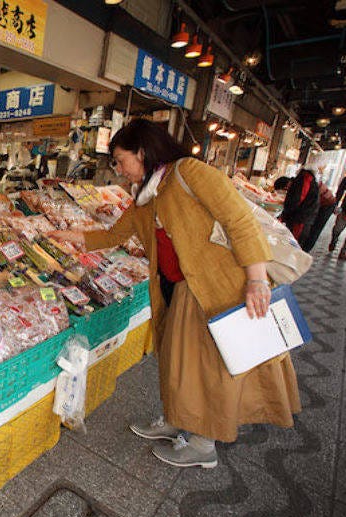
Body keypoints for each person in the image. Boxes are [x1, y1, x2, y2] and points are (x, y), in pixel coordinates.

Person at [50, 119, 301, 469]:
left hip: (213, 287)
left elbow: (239, 220)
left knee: (207, 367)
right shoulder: (146, 194)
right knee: (175, 362)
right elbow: (114, 235)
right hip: (175, 288)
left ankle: (203, 444)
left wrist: (257, 279)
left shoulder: (190, 173)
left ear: (142, 153)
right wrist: (70, 238)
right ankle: (177, 418)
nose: (118, 169)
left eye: (121, 160)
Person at [280, 169, 319, 247]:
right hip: (300, 219)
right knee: (291, 242)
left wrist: (284, 214)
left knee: (292, 244)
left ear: (287, 185)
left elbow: (296, 200)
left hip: (300, 220)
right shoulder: (305, 178)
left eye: (285, 189)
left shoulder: (305, 179)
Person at [301, 178, 337, 252]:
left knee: (315, 228)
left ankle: (305, 250)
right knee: (311, 225)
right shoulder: (304, 182)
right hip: (323, 201)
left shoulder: (306, 184)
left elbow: (309, 203)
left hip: (328, 205)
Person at [328, 176, 346, 259]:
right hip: (345, 210)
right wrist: (336, 204)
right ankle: (334, 240)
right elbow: (340, 190)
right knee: (337, 229)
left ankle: (344, 251)